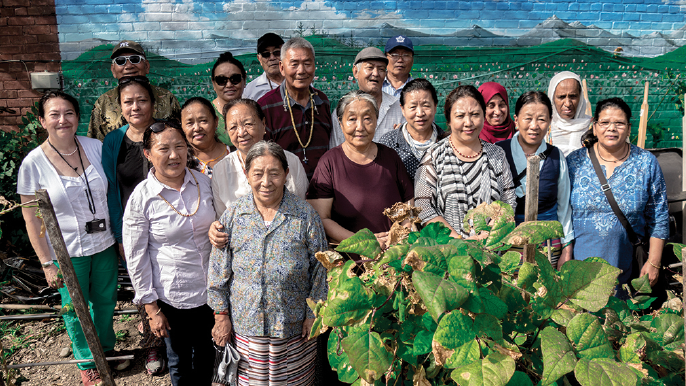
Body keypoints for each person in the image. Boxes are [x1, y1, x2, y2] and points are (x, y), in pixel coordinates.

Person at [18, 91, 125, 386]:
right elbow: (31, 217)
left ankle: (105, 350)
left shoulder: (95, 147)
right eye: (54, 114)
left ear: (78, 117)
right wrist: (47, 263)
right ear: (42, 121)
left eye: (69, 113)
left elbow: (112, 191)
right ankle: (87, 361)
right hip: (66, 250)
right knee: (75, 307)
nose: (62, 120)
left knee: (105, 300)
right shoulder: (33, 164)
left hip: (103, 243)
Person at [207, 141, 328, 386]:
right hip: (247, 324)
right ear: (247, 175)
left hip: (294, 327)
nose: (266, 181)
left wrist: (314, 313)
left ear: (286, 174)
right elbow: (219, 270)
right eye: (258, 173)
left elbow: (320, 267)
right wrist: (221, 316)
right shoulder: (233, 216)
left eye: (274, 173)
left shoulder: (305, 215)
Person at [123, 120, 215, 386]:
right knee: (179, 362)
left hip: (210, 291)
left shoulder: (204, 183)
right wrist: (152, 309)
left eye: (179, 147)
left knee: (208, 357)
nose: (174, 155)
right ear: (148, 154)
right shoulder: (142, 198)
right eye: (164, 149)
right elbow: (136, 256)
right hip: (172, 297)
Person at [566, 97, 668, 288]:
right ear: (594, 127)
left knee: (626, 314)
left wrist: (654, 262)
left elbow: (659, 217)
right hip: (579, 270)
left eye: (619, 123)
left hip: (629, 268)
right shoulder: (574, 162)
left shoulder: (646, 163)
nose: (611, 128)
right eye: (604, 122)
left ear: (629, 129)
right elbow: (561, 214)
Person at [101, 75, 166, 375]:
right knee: (143, 280)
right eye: (128, 101)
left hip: (168, 222)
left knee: (171, 279)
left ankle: (176, 341)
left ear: (153, 103)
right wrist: (119, 234)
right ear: (120, 107)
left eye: (142, 99)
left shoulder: (165, 132)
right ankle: (152, 343)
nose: (136, 106)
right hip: (133, 228)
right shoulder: (114, 141)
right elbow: (112, 189)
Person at [308, 90, 414, 249]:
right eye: (352, 119)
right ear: (340, 122)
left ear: (376, 120)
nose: (360, 127)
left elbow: (409, 205)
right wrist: (364, 242)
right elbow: (322, 218)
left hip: (394, 255)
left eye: (367, 118)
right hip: (351, 261)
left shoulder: (390, 157)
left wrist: (398, 237)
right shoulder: (329, 163)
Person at [415, 85, 516, 239]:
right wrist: (460, 241)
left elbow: (508, 202)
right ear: (448, 119)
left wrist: (488, 234)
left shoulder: (497, 155)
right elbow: (424, 208)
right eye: (460, 116)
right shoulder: (434, 156)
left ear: (483, 116)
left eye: (475, 114)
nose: (468, 122)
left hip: (492, 252)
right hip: (449, 254)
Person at [495, 91, 573, 268]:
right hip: (507, 245)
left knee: (544, 292)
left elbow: (564, 206)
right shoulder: (498, 152)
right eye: (528, 118)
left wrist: (567, 248)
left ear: (550, 122)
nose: (534, 126)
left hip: (547, 246)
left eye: (542, 119)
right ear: (516, 120)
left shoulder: (556, 156)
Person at [211, 98, 308, 217]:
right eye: (233, 127)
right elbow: (222, 217)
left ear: (263, 124)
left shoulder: (291, 161)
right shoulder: (221, 170)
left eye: (248, 124)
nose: (241, 133)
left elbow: (303, 207)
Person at [258, 37, 332, 178]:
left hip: (321, 188)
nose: (301, 71)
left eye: (307, 63)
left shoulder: (322, 101)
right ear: (282, 68)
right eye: (294, 64)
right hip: (285, 189)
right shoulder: (266, 106)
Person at [88, 40, 181, 141]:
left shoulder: (167, 98)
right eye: (120, 61)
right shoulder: (102, 103)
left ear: (147, 66)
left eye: (135, 59)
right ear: (113, 70)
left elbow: (181, 137)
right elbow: (94, 144)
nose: (128, 66)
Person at [329, 47, 405, 148]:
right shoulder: (343, 110)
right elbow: (335, 150)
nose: (376, 73)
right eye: (370, 67)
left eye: (381, 69)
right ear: (356, 72)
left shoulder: (399, 108)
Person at [379, 78, 447, 182]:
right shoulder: (388, 143)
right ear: (402, 109)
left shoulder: (448, 143)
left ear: (435, 106)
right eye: (413, 107)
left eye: (426, 105)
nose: (420, 113)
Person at [181, 97, 230, 177]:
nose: (197, 128)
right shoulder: (180, 162)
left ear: (216, 122)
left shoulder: (235, 156)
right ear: (182, 127)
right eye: (190, 123)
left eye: (203, 121)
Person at [547, 71, 592, 156]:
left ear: (580, 97)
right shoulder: (544, 129)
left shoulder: (593, 128)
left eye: (573, 96)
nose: (567, 103)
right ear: (552, 98)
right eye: (561, 97)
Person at [211, 52, 247, 146]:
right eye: (221, 80)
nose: (229, 85)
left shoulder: (253, 111)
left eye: (235, 79)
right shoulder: (207, 114)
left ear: (244, 80)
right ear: (213, 83)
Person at [243, 33, 285, 101]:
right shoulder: (250, 91)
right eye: (266, 54)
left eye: (277, 53)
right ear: (259, 59)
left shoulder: (300, 81)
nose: (272, 58)